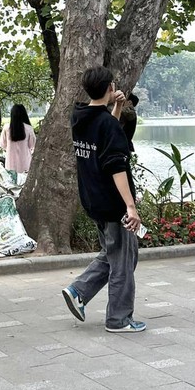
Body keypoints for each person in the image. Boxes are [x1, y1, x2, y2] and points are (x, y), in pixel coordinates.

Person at [62, 66, 146, 334]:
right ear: (110, 87)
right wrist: (130, 207)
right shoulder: (106, 124)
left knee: (116, 254)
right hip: (113, 204)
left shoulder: (79, 115)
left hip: (92, 198)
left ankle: (79, 290)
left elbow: (102, 131)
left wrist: (117, 108)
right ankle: (118, 319)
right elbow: (115, 166)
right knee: (123, 261)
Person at [0, 103, 36, 175]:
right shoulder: (29, 128)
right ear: (24, 114)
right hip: (26, 164)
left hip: (10, 164)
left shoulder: (6, 128)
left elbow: (3, 145)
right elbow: (32, 145)